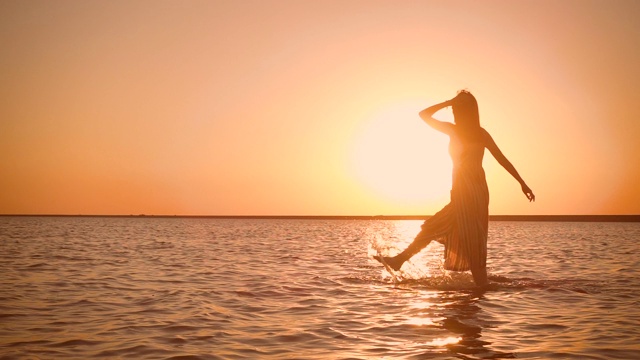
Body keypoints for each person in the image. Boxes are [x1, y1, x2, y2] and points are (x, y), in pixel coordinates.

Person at [375, 90, 535, 287]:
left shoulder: (480, 133)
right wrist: (449, 101)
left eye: (460, 106)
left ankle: (479, 285)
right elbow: (423, 115)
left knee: (460, 232)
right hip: (461, 191)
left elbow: (501, 158)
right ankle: (401, 260)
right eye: (455, 107)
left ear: (468, 110)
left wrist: (522, 183)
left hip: (474, 192)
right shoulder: (452, 129)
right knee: (444, 228)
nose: (456, 110)